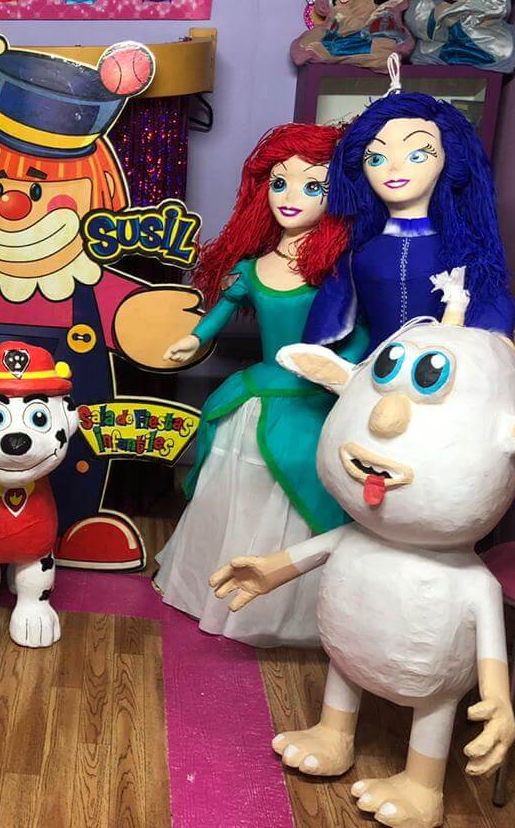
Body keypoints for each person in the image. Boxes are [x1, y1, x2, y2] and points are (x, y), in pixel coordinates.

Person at [156, 124, 366, 647]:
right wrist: (192, 339)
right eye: (279, 182)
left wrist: (343, 373)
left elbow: (358, 333)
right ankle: (214, 585)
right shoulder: (253, 267)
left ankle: (286, 607)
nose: (291, 197)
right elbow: (218, 313)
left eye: (312, 186)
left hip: (314, 392)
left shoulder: (338, 268)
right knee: (236, 487)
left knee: (299, 480)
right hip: (259, 388)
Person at [303, 91, 515, 354]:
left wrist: (498, 343)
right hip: (374, 368)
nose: (394, 169)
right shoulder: (357, 255)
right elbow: (329, 316)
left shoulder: (464, 251)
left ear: (448, 158)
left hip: (442, 370)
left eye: (418, 155)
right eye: (376, 159)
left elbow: (492, 302)